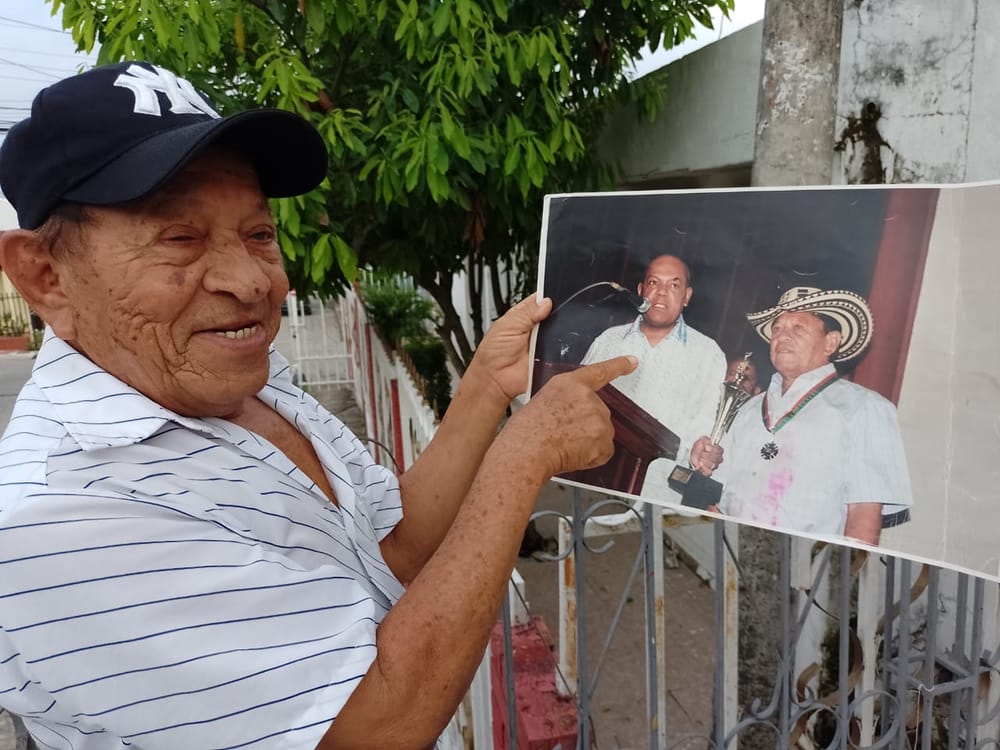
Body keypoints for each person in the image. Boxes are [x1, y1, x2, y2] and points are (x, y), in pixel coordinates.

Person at [0, 61, 636, 750]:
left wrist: (487, 383)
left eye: (259, 234)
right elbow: (376, 727)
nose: (251, 282)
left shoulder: (242, 378)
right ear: (44, 275)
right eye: (178, 239)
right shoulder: (59, 515)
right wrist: (522, 459)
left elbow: (394, 547)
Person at [702, 286, 912, 545]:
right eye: (777, 329)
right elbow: (717, 498)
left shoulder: (866, 408)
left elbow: (863, 519)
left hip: (803, 574)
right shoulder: (748, 409)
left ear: (831, 342)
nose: (782, 336)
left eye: (798, 328)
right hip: (726, 559)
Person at [581, 254, 726, 494]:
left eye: (674, 285)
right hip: (592, 474)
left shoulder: (708, 355)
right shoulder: (609, 340)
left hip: (657, 490)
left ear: (686, 297)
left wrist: (700, 450)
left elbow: (704, 428)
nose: (661, 292)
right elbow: (577, 400)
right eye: (653, 283)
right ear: (640, 291)